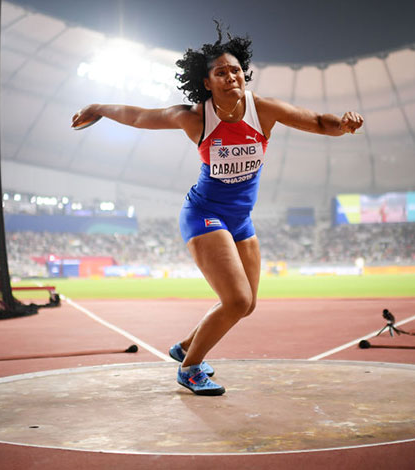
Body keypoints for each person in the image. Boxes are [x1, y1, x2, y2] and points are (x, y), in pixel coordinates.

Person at [72, 25, 363, 396]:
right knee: (237, 299)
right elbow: (141, 116)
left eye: (236, 70)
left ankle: (183, 348)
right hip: (203, 213)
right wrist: (98, 108)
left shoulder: (264, 111)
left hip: (241, 220)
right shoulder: (195, 118)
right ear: (207, 83)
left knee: (248, 304)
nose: (231, 76)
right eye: (221, 72)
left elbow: (321, 122)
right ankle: (190, 368)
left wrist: (345, 124)